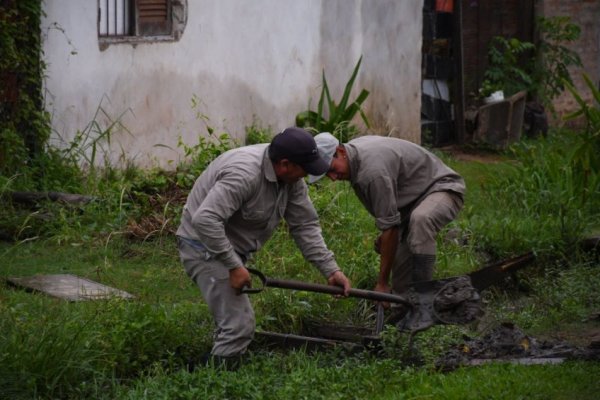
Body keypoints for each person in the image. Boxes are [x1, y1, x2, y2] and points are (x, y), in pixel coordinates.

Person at [176, 127, 351, 369]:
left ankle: (214, 366)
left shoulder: (291, 179)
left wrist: (331, 270)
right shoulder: (244, 174)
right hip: (202, 245)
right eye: (305, 169)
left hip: (230, 245)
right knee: (239, 326)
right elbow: (205, 220)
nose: (306, 176)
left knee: (233, 321)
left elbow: (304, 225)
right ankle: (209, 383)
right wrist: (234, 266)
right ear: (285, 164)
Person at [309, 133, 465, 319]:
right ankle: (407, 319)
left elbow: (390, 228)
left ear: (340, 151)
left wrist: (382, 283)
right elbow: (391, 223)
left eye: (332, 169)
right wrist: (387, 241)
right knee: (401, 290)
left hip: (443, 189)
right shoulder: (354, 159)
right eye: (327, 175)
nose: (333, 178)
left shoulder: (372, 172)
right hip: (410, 208)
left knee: (421, 220)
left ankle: (425, 297)